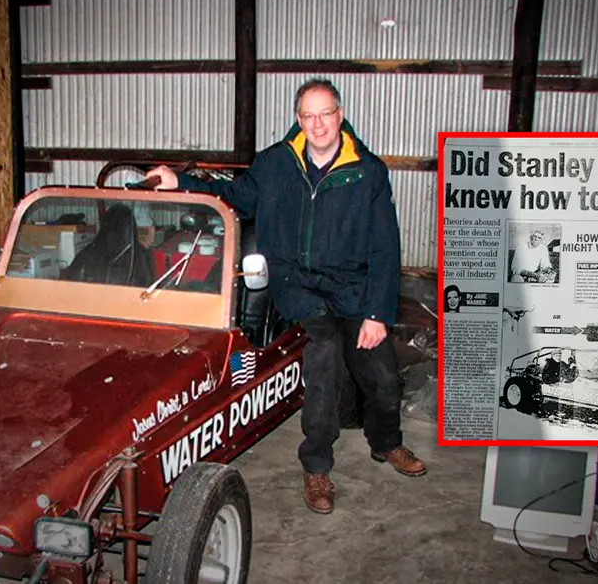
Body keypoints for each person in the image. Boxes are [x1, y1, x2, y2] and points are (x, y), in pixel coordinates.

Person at [144, 78, 427, 515]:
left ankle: (386, 443)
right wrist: (180, 180)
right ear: (298, 119)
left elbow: (385, 247)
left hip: (352, 285)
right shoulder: (276, 163)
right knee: (326, 355)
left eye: (325, 114)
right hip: (297, 283)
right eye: (308, 115)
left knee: (384, 377)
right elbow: (236, 195)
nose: (318, 124)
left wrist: (377, 312)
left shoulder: (367, 171)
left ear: (340, 115)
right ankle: (317, 467)